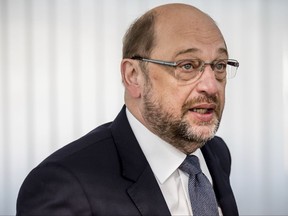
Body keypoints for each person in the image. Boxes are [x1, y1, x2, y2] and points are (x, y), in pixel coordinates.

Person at [16, 3, 239, 216]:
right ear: (133, 76)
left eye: (219, 65)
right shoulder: (63, 185)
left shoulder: (215, 153)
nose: (211, 86)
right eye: (187, 66)